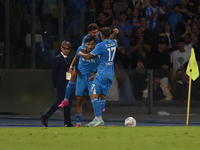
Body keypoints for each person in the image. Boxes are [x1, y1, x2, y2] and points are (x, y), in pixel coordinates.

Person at [58, 23, 119, 108]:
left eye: (97, 32)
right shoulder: (85, 39)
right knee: (73, 74)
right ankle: (66, 99)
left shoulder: (101, 36)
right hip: (84, 61)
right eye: (94, 33)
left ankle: (100, 105)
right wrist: (72, 65)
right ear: (89, 32)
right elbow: (84, 51)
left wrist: (115, 33)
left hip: (96, 61)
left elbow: (108, 38)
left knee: (98, 83)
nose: (96, 34)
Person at [77, 27, 118, 127]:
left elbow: (89, 56)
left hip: (101, 73)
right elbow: (112, 38)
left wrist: (80, 53)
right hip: (110, 73)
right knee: (102, 96)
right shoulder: (114, 42)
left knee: (93, 95)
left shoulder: (100, 45)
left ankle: (99, 119)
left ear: (102, 35)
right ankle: (97, 119)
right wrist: (114, 34)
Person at [40, 40, 73, 127]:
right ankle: (46, 116)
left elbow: (68, 72)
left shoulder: (68, 59)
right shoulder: (58, 58)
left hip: (67, 83)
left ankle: (67, 122)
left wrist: (70, 81)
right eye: (65, 48)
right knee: (60, 101)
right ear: (61, 48)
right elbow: (54, 72)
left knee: (68, 102)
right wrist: (55, 84)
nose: (66, 50)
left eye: (68, 49)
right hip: (61, 83)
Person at [74, 36, 97, 127]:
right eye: (88, 44)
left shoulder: (97, 50)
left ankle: (97, 120)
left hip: (92, 76)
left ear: (94, 44)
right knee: (79, 100)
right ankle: (78, 123)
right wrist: (71, 66)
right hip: (81, 76)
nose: (90, 46)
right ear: (85, 44)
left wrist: (96, 74)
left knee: (94, 99)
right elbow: (76, 58)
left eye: (92, 44)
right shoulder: (80, 48)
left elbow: (101, 64)